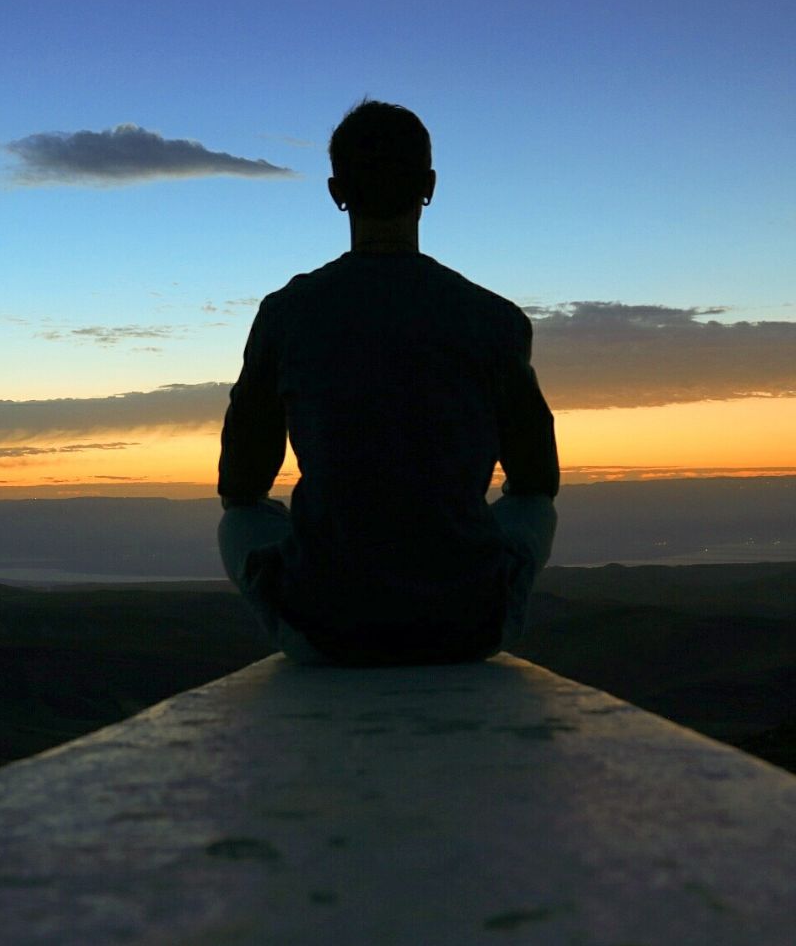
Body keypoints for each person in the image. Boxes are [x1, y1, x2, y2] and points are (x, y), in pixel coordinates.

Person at [217, 99, 558, 665]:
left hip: (325, 629)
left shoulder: (287, 313)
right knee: (529, 508)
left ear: (336, 192)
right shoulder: (494, 318)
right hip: (469, 625)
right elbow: (536, 479)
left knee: (244, 522)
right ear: (429, 186)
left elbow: (240, 486)